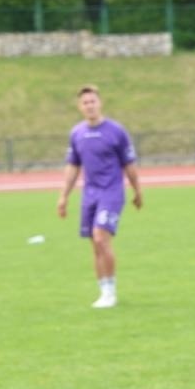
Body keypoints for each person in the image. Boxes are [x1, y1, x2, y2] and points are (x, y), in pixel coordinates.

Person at [57, 85, 142, 309]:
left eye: (93, 101)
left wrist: (137, 190)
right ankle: (103, 290)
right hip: (90, 194)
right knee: (94, 245)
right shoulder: (77, 133)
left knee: (101, 237)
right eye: (85, 103)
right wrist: (63, 197)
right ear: (80, 107)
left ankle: (111, 292)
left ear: (100, 103)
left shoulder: (116, 131)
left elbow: (129, 164)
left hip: (112, 192)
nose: (90, 106)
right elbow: (73, 167)